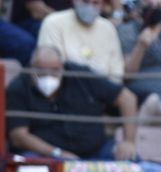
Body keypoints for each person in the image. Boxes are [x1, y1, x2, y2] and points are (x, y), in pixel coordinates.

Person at [6, 45, 137, 161]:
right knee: (30, 168)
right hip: (47, 156)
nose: (48, 75)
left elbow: (127, 98)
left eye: (55, 70)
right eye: (41, 72)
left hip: (97, 152)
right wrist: (57, 153)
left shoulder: (80, 75)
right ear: (31, 68)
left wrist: (129, 141)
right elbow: (19, 137)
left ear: (62, 67)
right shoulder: (18, 88)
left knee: (130, 159)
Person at [37, 0, 122, 78]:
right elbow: (52, 68)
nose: (90, 7)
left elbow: (116, 72)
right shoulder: (53, 22)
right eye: (85, 2)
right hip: (67, 90)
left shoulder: (108, 28)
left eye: (95, 3)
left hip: (105, 91)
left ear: (102, 5)